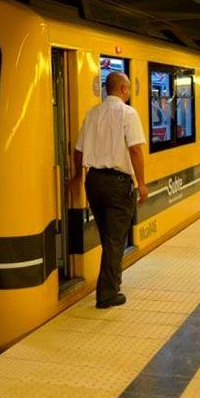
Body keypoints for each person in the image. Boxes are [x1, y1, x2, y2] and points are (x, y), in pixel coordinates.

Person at [74, 72, 149, 309]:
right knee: (116, 239)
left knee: (109, 237)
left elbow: (78, 151)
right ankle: (107, 294)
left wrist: (78, 175)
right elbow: (136, 150)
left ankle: (113, 282)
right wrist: (142, 183)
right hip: (117, 184)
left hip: (93, 181)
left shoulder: (92, 113)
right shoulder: (128, 113)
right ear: (124, 89)